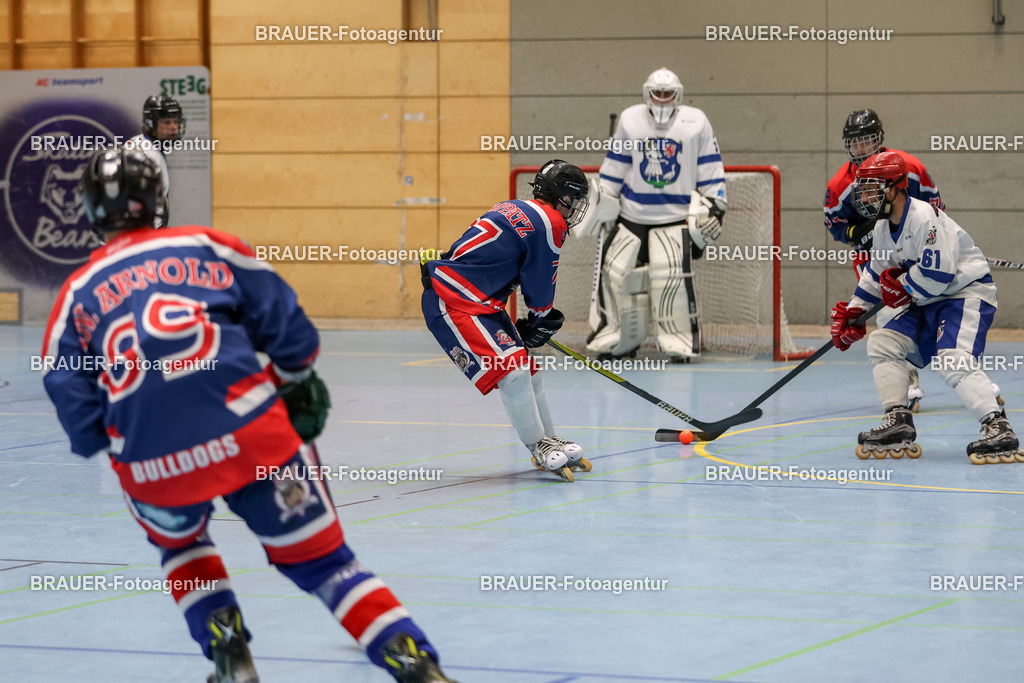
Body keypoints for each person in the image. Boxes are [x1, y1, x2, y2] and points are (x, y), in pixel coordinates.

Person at [41, 148, 456, 683]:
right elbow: (291, 331)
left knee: (181, 546)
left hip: (152, 462)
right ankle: (416, 664)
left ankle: (230, 658)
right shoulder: (209, 246)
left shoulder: (76, 292)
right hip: (252, 437)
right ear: (158, 198)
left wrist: (109, 438)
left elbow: (67, 390)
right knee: (327, 564)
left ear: (91, 211)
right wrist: (293, 379)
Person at [829, 152, 1020, 465]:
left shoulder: (924, 219)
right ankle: (898, 419)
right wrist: (854, 312)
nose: (862, 198)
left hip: (963, 295)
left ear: (894, 188)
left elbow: (938, 275)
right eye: (861, 190)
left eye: (870, 189)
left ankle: (998, 426)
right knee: (882, 342)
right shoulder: (882, 228)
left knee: (953, 358)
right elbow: (876, 274)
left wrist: (903, 286)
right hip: (925, 301)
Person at [421, 159, 591, 482]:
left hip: (477, 299)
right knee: (513, 373)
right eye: (575, 199)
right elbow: (539, 283)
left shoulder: (516, 207)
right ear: (564, 196)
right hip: (454, 300)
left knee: (527, 369)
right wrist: (541, 317)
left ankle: (549, 438)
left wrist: (536, 321)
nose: (575, 208)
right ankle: (538, 444)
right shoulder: (551, 222)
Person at [823, 108, 1001, 411]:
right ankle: (905, 388)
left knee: (951, 333)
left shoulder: (912, 173)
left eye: (866, 139)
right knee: (887, 322)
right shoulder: (843, 187)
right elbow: (838, 227)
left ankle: (979, 390)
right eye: (855, 142)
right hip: (882, 256)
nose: (861, 147)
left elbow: (935, 216)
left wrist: (923, 251)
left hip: (923, 258)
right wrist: (855, 310)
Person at [582, 67, 727, 361]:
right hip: (631, 216)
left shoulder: (696, 121)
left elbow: (709, 166)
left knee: (671, 283)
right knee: (616, 277)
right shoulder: (630, 119)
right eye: (657, 93)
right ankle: (616, 339)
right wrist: (603, 199)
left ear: (678, 95)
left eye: (667, 93)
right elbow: (616, 164)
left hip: (675, 218)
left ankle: (679, 343)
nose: (662, 98)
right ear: (647, 93)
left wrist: (715, 203)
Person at [127, 95, 185, 226]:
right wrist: (158, 232)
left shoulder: (137, 142)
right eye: (167, 122)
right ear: (151, 124)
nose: (174, 127)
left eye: (176, 122)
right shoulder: (151, 157)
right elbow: (152, 206)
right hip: (141, 231)